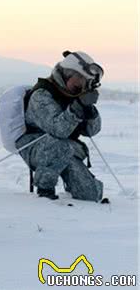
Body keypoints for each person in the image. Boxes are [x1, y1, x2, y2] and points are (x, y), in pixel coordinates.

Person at [17, 51, 104, 202]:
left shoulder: (75, 96)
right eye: (79, 80)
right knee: (59, 145)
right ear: (67, 75)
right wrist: (77, 108)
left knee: (90, 195)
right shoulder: (42, 95)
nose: (81, 86)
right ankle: (45, 192)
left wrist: (89, 109)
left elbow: (92, 131)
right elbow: (58, 130)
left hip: (66, 149)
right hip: (36, 147)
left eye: (85, 82)